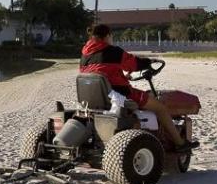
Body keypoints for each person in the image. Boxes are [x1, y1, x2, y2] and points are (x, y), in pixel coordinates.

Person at [80, 24, 199, 152]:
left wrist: (123, 76)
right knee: (161, 108)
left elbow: (102, 72)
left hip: (95, 97)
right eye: (111, 36)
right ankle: (180, 143)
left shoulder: (85, 55)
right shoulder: (113, 51)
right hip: (120, 94)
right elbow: (135, 63)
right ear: (108, 35)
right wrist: (149, 62)